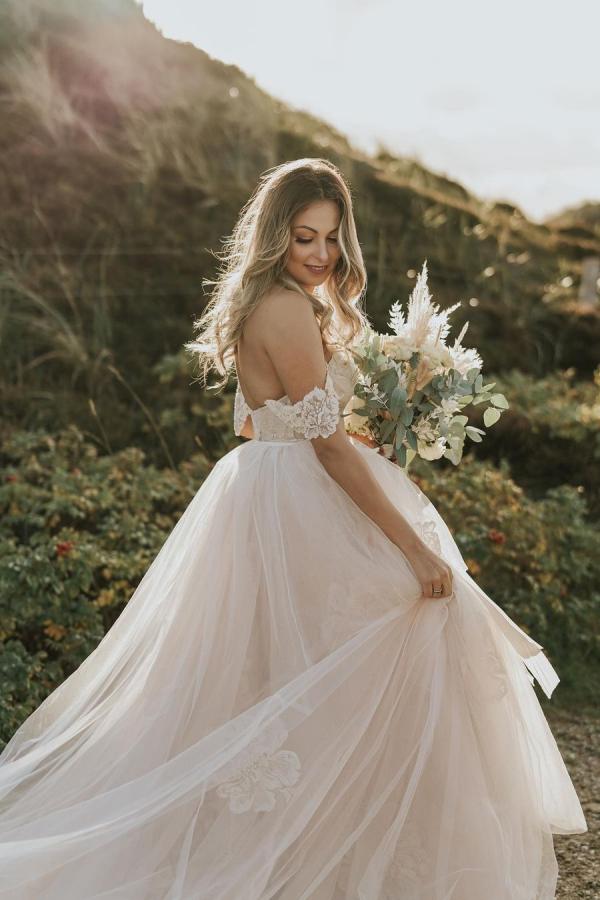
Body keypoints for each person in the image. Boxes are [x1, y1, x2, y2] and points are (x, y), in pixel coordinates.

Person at [0, 158, 587, 899]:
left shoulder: (276, 302)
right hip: (300, 503)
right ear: (276, 234)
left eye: (332, 238)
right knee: (384, 642)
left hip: (278, 492)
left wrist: (378, 427)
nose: (320, 253)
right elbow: (325, 445)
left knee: (296, 677)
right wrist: (411, 546)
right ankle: (330, 856)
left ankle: (326, 851)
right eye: (305, 236)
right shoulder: (285, 308)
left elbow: (267, 422)